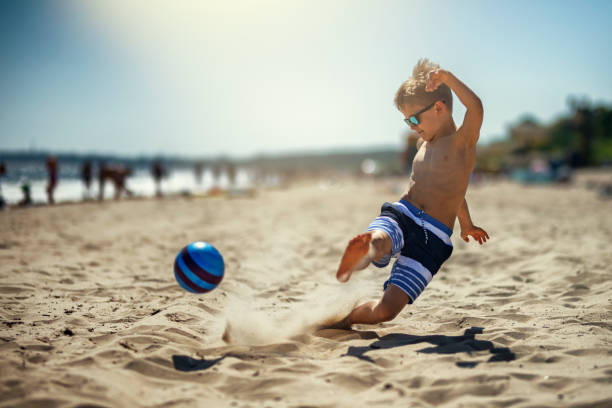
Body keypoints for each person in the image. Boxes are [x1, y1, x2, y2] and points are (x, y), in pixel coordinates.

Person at [333, 59, 490, 328]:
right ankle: (367, 248)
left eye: (414, 118)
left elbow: (475, 108)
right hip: (403, 213)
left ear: (439, 108)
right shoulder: (422, 143)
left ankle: (343, 320)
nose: (411, 126)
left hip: (433, 238)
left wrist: (466, 224)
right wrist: (465, 222)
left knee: (386, 310)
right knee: (382, 239)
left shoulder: (461, 143)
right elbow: (450, 188)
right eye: (406, 120)